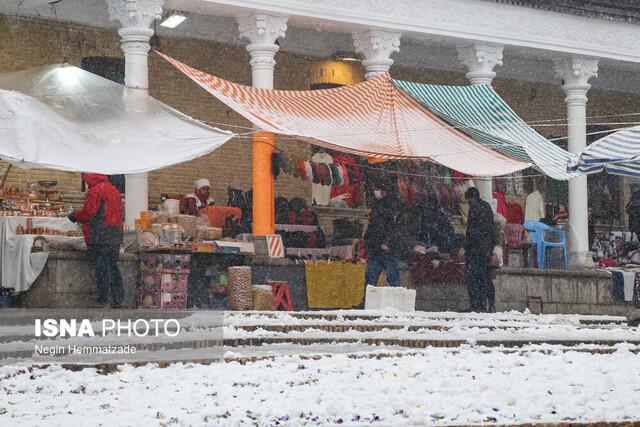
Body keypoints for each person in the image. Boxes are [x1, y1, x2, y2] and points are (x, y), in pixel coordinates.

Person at [68, 174, 124, 308]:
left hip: (100, 235)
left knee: (102, 268)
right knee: (113, 267)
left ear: (89, 178)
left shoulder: (95, 191)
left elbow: (89, 213)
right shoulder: (113, 189)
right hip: (114, 235)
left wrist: (75, 216)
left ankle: (103, 299)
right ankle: (118, 298)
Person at [364, 179, 405, 288]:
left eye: (378, 189)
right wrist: (367, 239)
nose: (376, 192)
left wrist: (387, 242)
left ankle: (395, 300)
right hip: (377, 247)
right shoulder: (379, 205)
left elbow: (396, 228)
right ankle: (367, 301)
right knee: (371, 276)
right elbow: (373, 226)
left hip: (387, 248)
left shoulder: (394, 206)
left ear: (384, 191)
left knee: (391, 277)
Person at [463, 187, 496, 312]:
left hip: (476, 250)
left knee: (473, 279)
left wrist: (466, 246)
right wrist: (491, 249)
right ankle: (488, 304)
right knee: (484, 278)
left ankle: (476, 306)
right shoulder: (486, 207)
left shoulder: (474, 209)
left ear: (470, 198)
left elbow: (471, 232)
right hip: (485, 249)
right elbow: (491, 229)